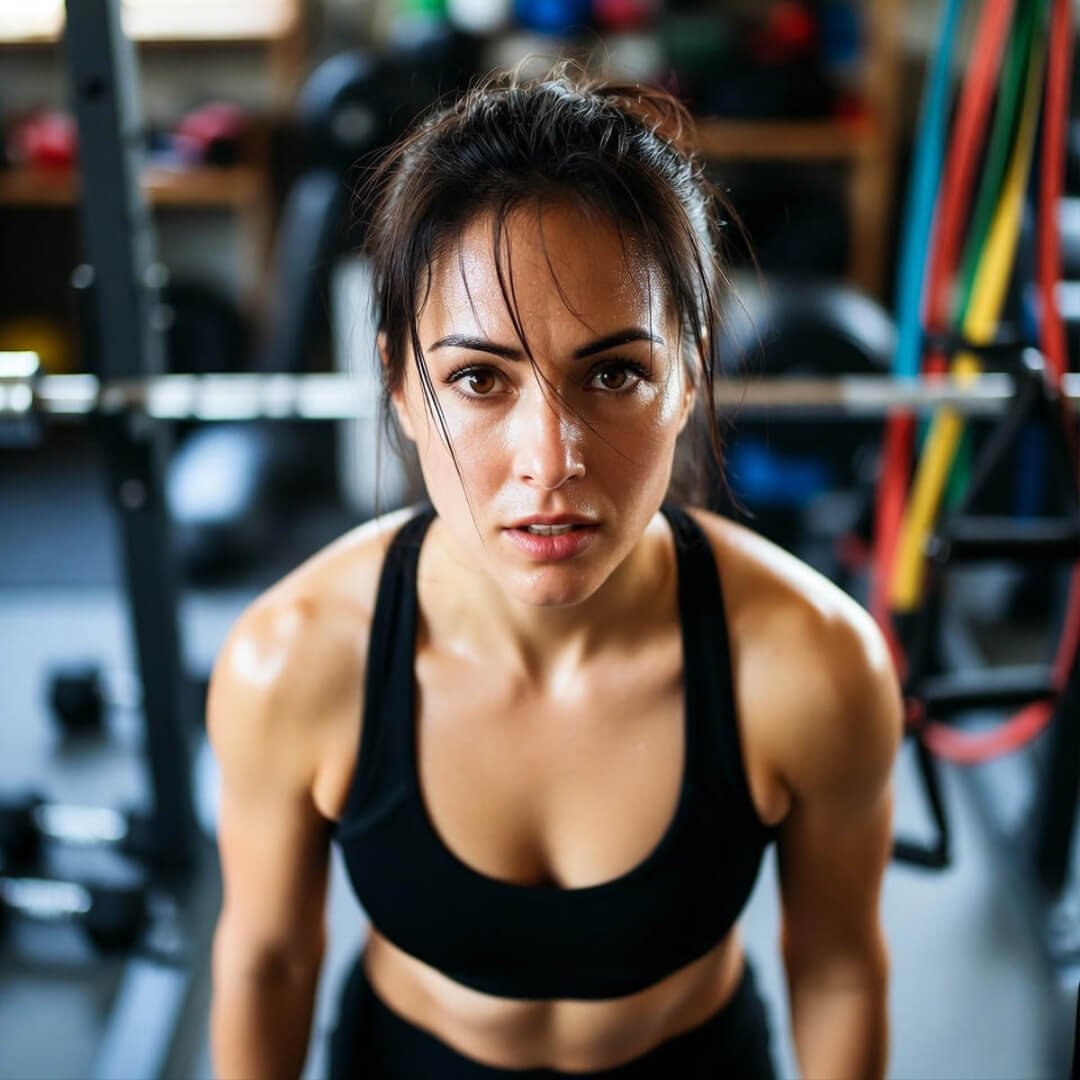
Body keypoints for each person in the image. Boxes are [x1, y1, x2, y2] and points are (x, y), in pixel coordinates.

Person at [207, 65, 903, 1079]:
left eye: (615, 373)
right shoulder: (294, 661)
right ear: (401, 384)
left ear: (689, 376)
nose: (551, 459)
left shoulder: (814, 665)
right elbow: (267, 962)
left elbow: (839, 969)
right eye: (479, 379)